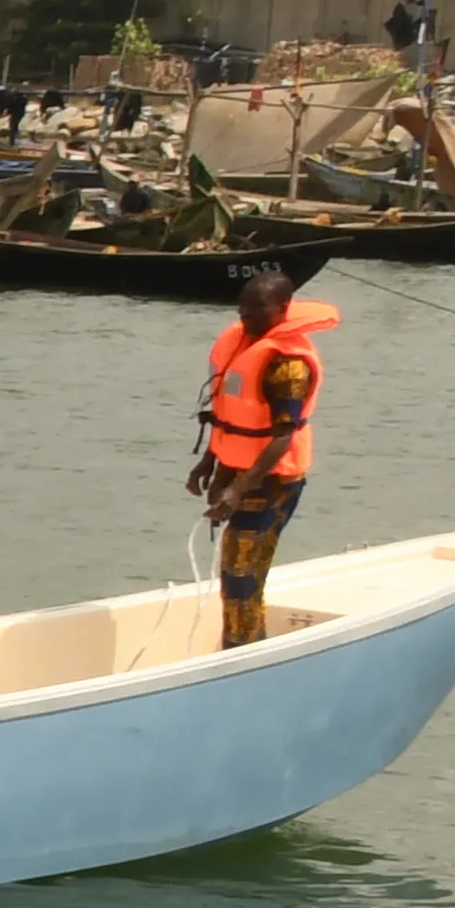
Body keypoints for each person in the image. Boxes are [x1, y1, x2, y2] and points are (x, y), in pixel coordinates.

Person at [196, 265, 333, 649]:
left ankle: (244, 650)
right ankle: (242, 643)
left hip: (273, 480)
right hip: (237, 468)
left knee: (243, 569)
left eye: (257, 308)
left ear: (283, 308)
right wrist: (210, 463)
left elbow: (281, 437)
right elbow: (231, 418)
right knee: (234, 569)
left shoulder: (288, 366)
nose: (246, 315)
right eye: (243, 307)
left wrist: (238, 490)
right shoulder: (241, 343)